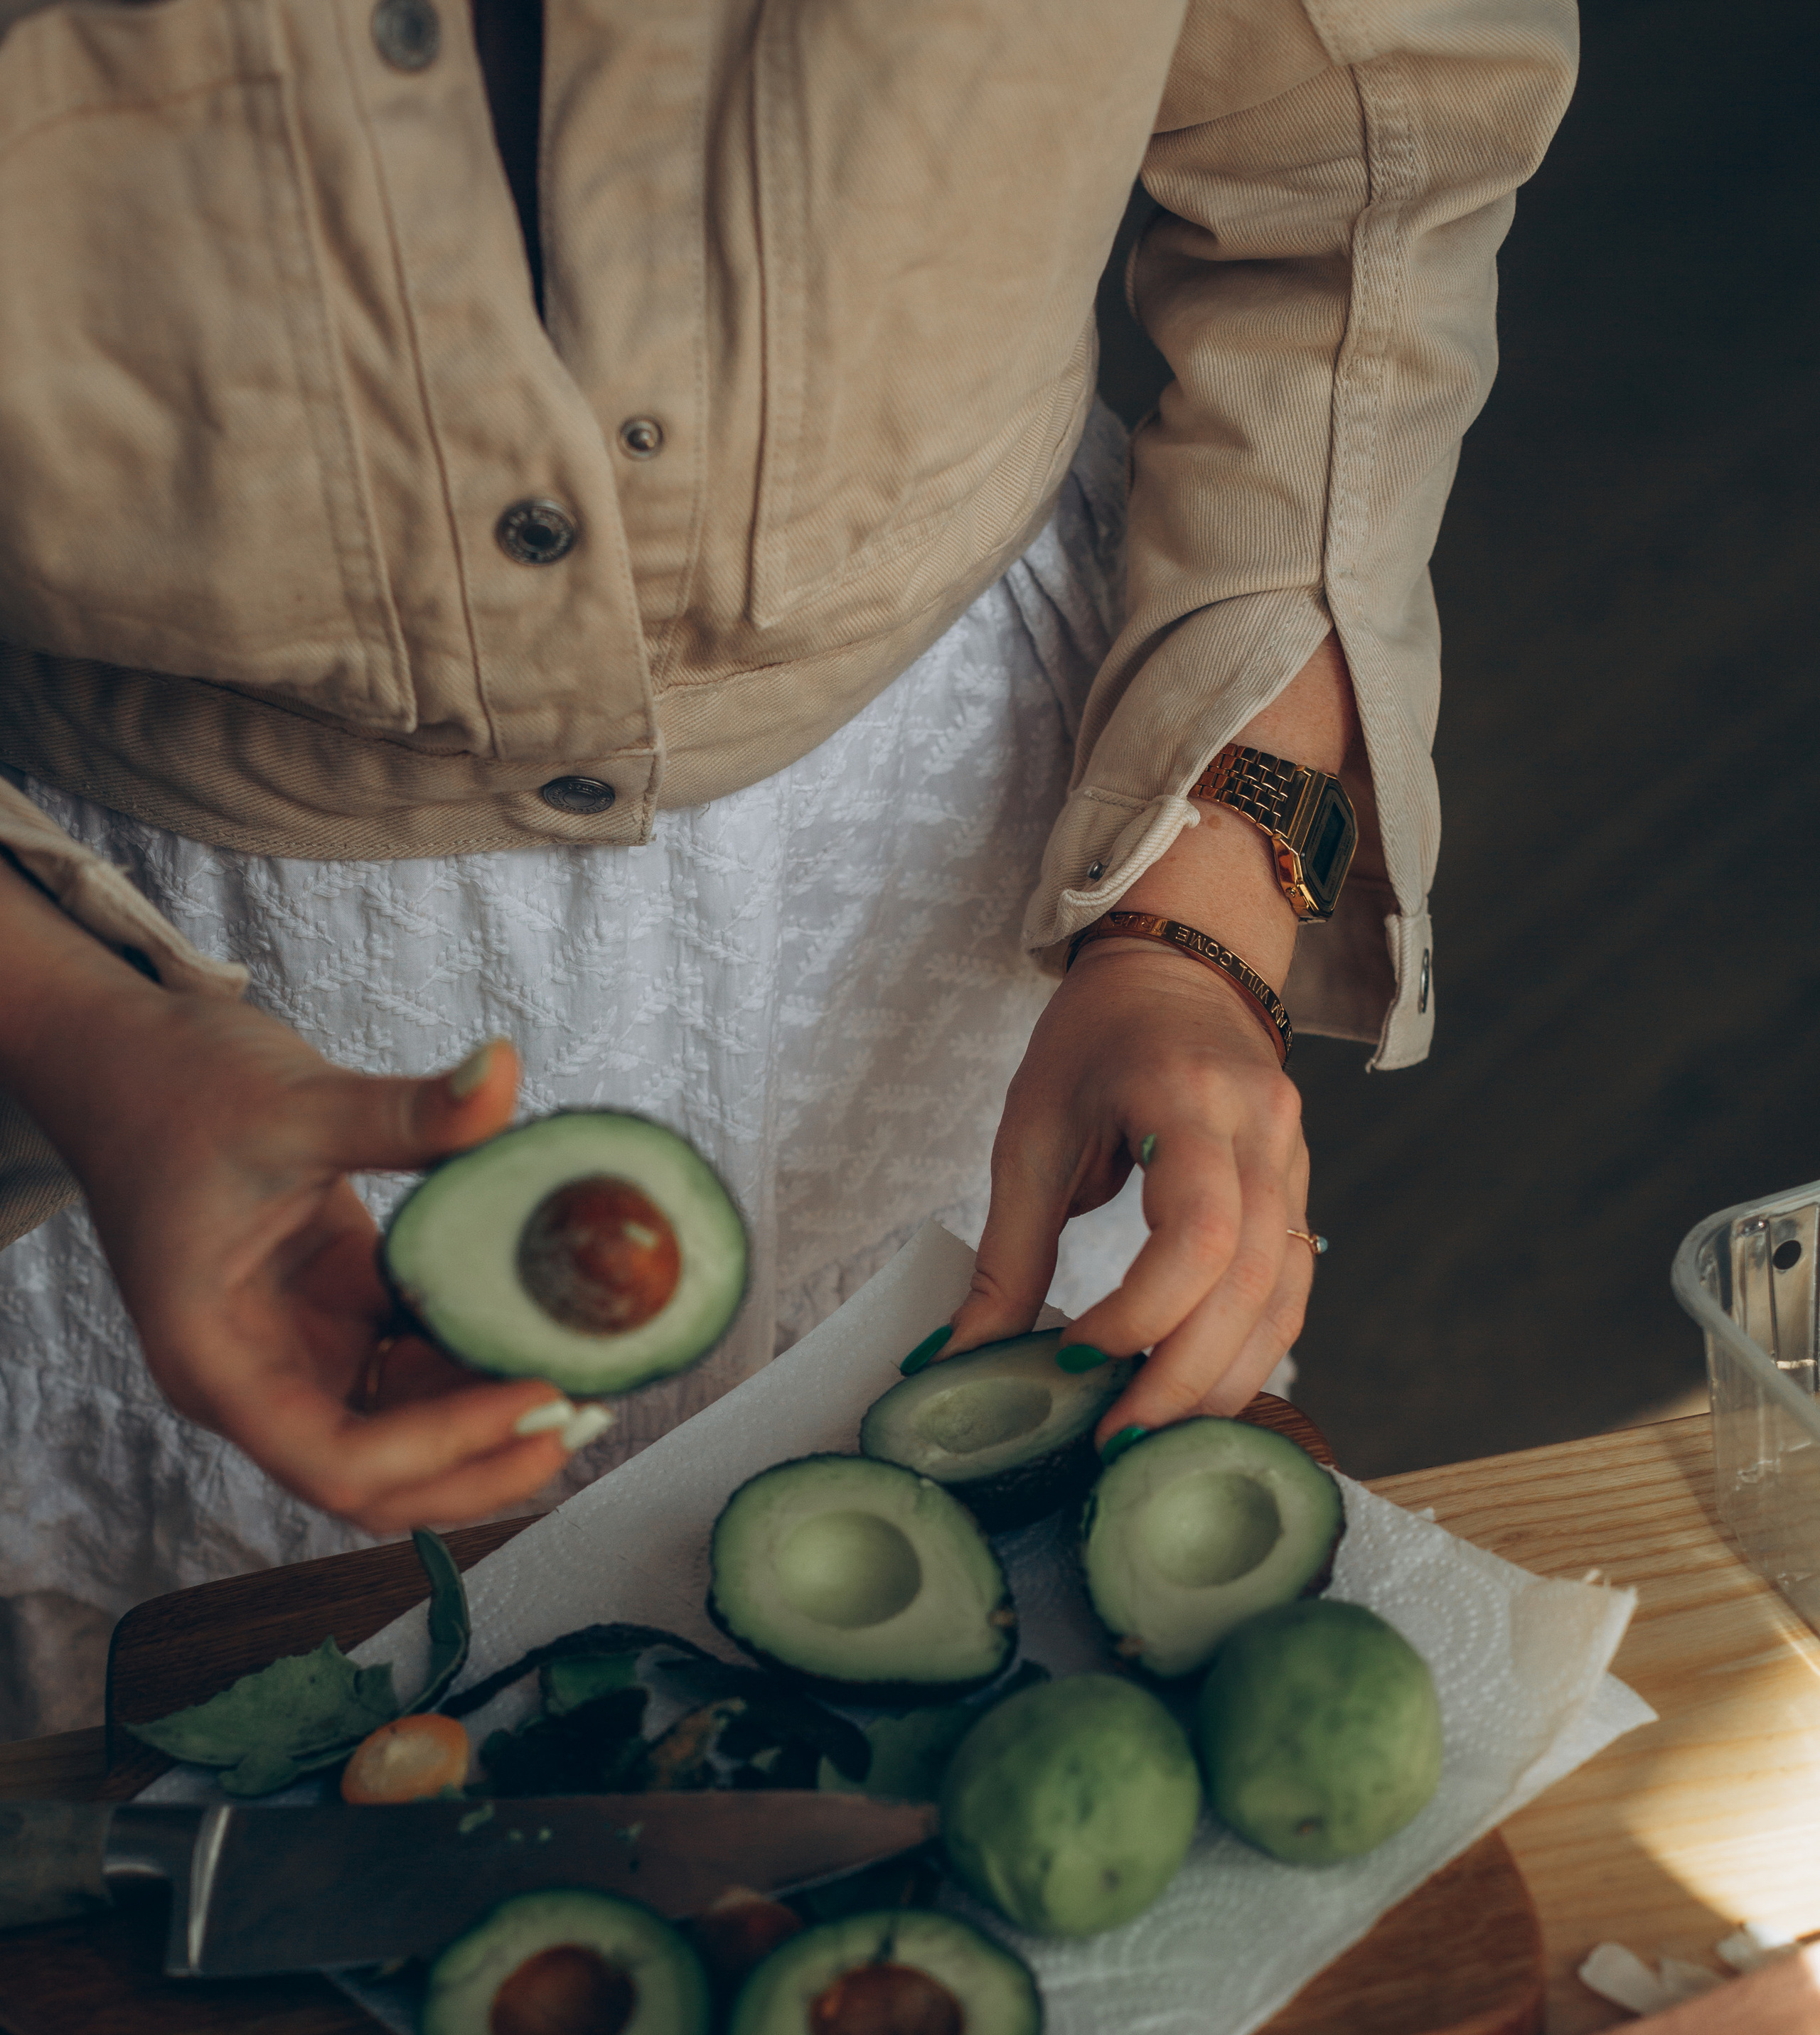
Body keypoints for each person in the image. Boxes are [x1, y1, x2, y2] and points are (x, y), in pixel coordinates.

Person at [0, 0, 1575, 1734]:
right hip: (171, 961)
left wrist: (1197, 912)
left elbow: (1362, 160)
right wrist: (80, 1026)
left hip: (960, 875)